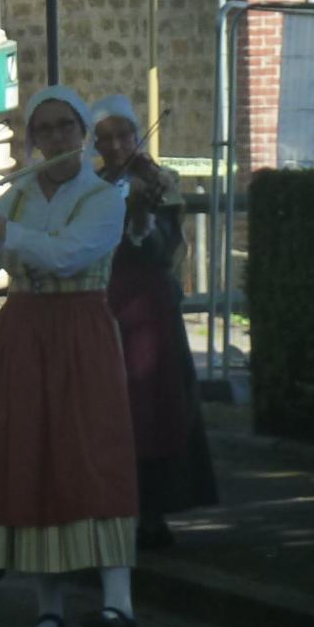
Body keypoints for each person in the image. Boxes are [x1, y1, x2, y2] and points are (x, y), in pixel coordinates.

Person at [0, 86, 141, 627]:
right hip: (23, 330)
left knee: (92, 456)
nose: (54, 138)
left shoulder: (104, 196)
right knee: (32, 454)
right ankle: (47, 610)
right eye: (43, 130)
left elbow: (67, 254)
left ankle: (120, 605)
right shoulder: (18, 197)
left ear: (83, 133)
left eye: (64, 127)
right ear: (32, 139)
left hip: (81, 330)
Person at [92, 95, 219, 549]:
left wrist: (143, 214)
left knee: (152, 404)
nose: (116, 144)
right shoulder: (92, 185)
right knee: (111, 405)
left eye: (123, 134)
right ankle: (111, 505)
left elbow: (165, 249)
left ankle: (154, 512)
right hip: (105, 300)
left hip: (148, 304)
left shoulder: (159, 180)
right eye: (105, 138)